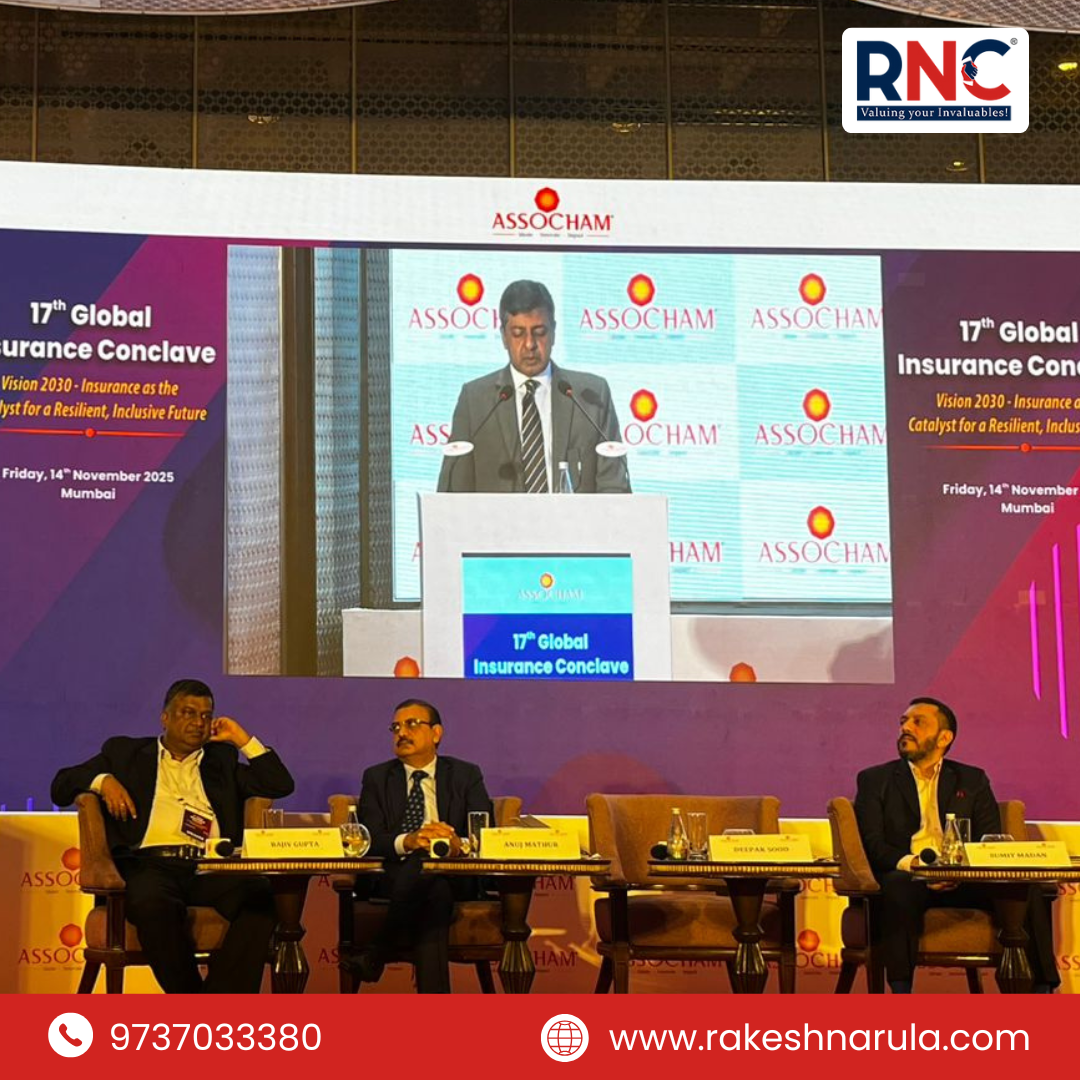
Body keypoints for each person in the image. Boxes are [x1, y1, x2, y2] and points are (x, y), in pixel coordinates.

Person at [51, 678, 294, 993]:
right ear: (164, 718)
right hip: (150, 866)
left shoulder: (221, 760)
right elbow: (61, 784)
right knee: (153, 904)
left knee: (260, 900)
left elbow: (279, 784)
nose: (199, 722)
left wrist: (242, 739)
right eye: (188, 713)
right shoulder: (127, 753)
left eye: (206, 715)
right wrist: (103, 781)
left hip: (211, 867)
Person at [853, 696, 1058, 993]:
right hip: (910, 876)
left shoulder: (972, 780)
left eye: (918, 722)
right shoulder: (875, 779)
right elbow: (872, 844)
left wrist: (959, 872)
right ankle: (900, 992)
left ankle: (1041, 992)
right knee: (897, 885)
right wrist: (918, 866)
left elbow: (988, 841)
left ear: (944, 738)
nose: (906, 728)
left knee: (1027, 890)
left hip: (964, 880)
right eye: (903, 722)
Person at [346, 698, 493, 993]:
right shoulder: (376, 778)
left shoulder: (466, 774)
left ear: (436, 733)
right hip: (395, 876)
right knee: (434, 892)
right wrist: (410, 841)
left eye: (412, 724)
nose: (402, 733)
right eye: (396, 727)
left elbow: (485, 832)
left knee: (434, 878)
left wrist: (456, 844)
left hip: (455, 874)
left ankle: (377, 952)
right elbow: (369, 837)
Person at [437, 279, 631, 494]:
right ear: (504, 337)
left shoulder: (591, 395)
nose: (530, 344)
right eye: (518, 333)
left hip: (574, 517)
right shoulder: (475, 401)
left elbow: (615, 488)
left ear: (553, 332)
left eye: (539, 332)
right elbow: (452, 492)